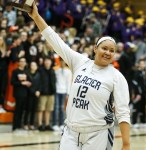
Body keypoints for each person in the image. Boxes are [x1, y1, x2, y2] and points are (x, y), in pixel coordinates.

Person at [28, 3, 130, 150]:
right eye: (104, 48)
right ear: (95, 49)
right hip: (71, 131)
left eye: (112, 50)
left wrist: (126, 144)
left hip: (98, 134)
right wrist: (36, 17)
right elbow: (56, 41)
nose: (108, 52)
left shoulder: (116, 77)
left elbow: (123, 112)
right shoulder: (80, 62)